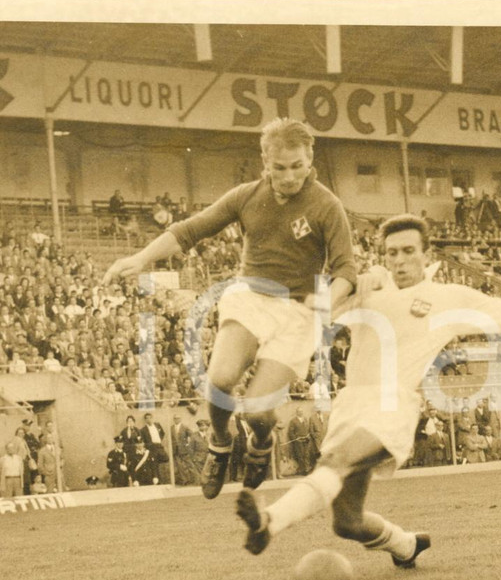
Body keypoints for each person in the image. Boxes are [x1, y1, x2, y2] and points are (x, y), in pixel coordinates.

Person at [235, 213, 501, 566]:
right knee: (347, 522)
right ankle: (406, 545)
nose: (399, 261)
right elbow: (314, 312)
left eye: (408, 251)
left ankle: (269, 521)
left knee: (334, 463)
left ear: (426, 254)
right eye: (392, 253)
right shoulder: (370, 289)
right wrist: (349, 285)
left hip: (393, 405)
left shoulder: (448, 298)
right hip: (351, 405)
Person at [103, 118, 357, 500]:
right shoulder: (246, 195)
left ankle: (261, 440)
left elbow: (346, 270)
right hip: (251, 297)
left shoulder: (326, 205)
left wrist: (328, 299)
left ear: (310, 160)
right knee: (220, 380)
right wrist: (141, 258)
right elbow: (190, 230)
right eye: (280, 168)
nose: (290, 176)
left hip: (297, 313)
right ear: (265, 162)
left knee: (258, 411)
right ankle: (221, 442)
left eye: (298, 166)